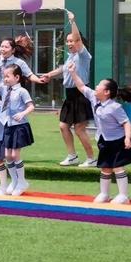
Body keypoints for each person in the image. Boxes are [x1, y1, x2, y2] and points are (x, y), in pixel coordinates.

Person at [68, 62, 131, 204]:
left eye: (99, 85)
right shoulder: (93, 98)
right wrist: (73, 73)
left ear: (107, 92)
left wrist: (127, 138)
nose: (96, 87)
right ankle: (104, 193)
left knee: (118, 167)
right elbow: (81, 86)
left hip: (118, 141)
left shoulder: (115, 107)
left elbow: (126, 122)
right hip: (104, 140)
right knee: (105, 167)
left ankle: (123, 195)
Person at [41, 10, 96, 168]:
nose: (70, 43)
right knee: (63, 126)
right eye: (68, 41)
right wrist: (49, 75)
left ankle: (91, 158)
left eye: (72, 41)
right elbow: (62, 70)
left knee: (79, 129)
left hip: (81, 93)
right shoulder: (70, 57)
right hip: (70, 95)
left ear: (79, 43)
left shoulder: (84, 55)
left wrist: (72, 21)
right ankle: (72, 156)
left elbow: (78, 38)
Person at [0, 61, 35, 196]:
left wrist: (23, 113)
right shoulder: (3, 89)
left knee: (15, 155)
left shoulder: (22, 91)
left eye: (8, 76)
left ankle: (22, 181)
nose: (5, 79)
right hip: (8, 125)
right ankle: (14, 181)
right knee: (7, 155)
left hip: (19, 126)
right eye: (4, 76)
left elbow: (31, 106)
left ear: (17, 78)